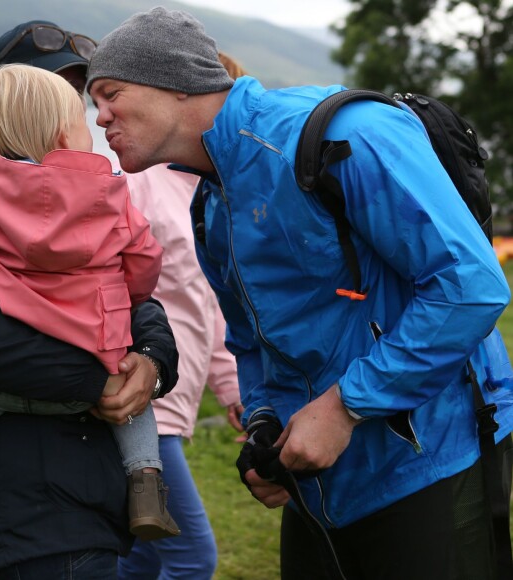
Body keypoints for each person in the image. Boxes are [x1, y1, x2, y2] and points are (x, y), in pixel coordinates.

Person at [87, 7, 513, 579]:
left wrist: (344, 408)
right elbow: (251, 341)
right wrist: (267, 426)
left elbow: (471, 287)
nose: (99, 115)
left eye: (110, 92)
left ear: (175, 81)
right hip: (323, 488)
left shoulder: (342, 135)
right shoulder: (211, 204)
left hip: (432, 461)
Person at [0, 21, 179, 579]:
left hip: (75, 494)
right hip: (23, 506)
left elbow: (137, 294)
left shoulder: (81, 195)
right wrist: (100, 374)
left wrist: (154, 359)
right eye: (55, 93)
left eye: (76, 96)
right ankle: (147, 480)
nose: (71, 114)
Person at [117, 50, 246, 580]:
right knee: (193, 558)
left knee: (142, 556)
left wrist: (235, 390)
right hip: (144, 401)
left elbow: (210, 305)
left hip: (179, 400)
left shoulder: (215, 189)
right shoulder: (138, 182)